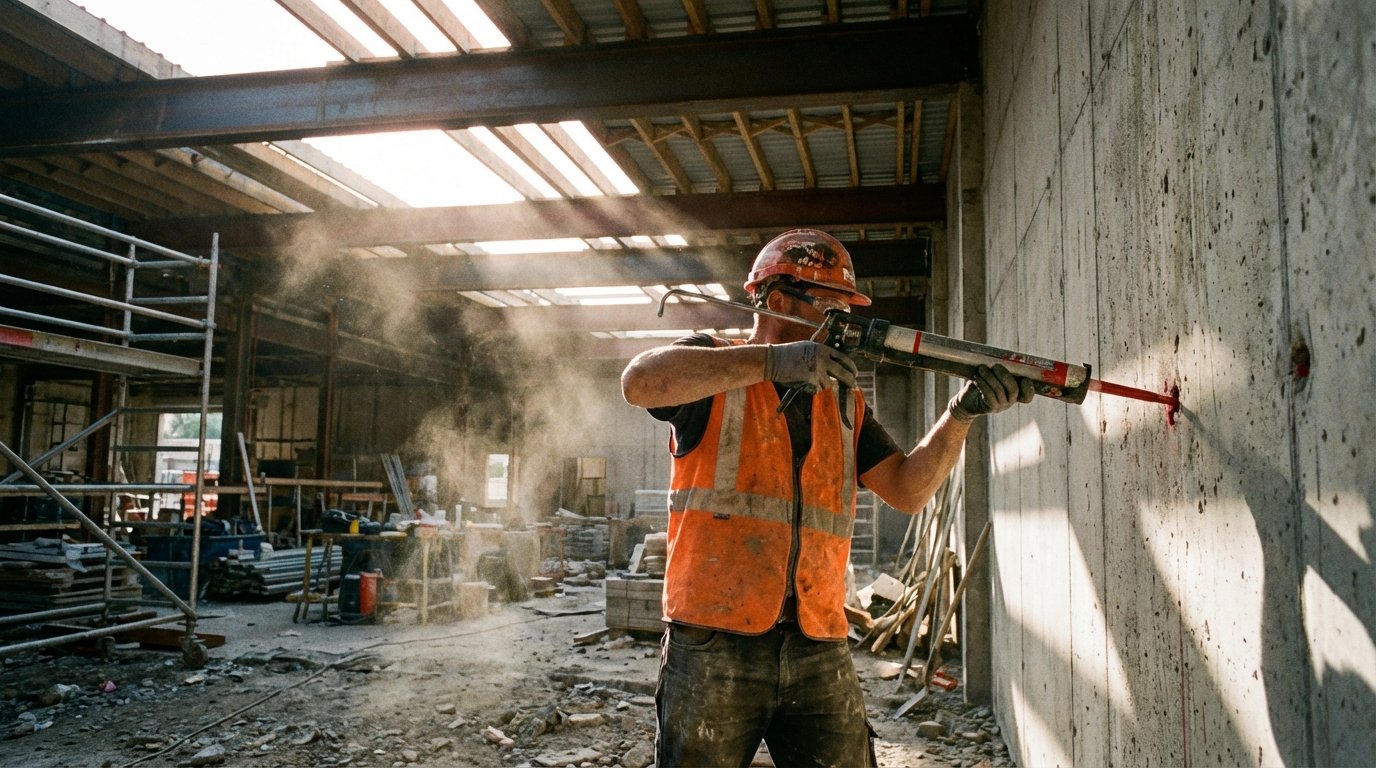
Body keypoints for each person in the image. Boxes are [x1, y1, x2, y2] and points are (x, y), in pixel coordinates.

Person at [620, 228, 1035, 768]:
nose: (843, 325)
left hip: (819, 641)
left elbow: (908, 491)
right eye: (829, 307)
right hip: (712, 644)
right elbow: (639, 382)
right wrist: (773, 362)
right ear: (774, 299)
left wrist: (961, 414)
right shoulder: (712, 367)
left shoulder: (842, 401)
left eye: (845, 310)